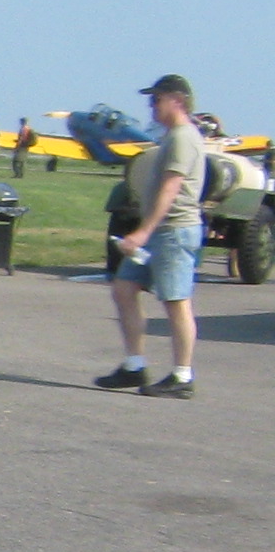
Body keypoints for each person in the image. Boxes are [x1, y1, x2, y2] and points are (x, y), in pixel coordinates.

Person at [97, 75, 206, 397]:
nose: (151, 106)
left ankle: (182, 377)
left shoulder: (184, 137)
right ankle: (134, 365)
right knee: (124, 288)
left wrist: (143, 232)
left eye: (156, 99)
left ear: (178, 100)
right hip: (158, 232)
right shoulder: (172, 137)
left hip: (173, 231)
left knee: (176, 301)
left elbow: (172, 188)